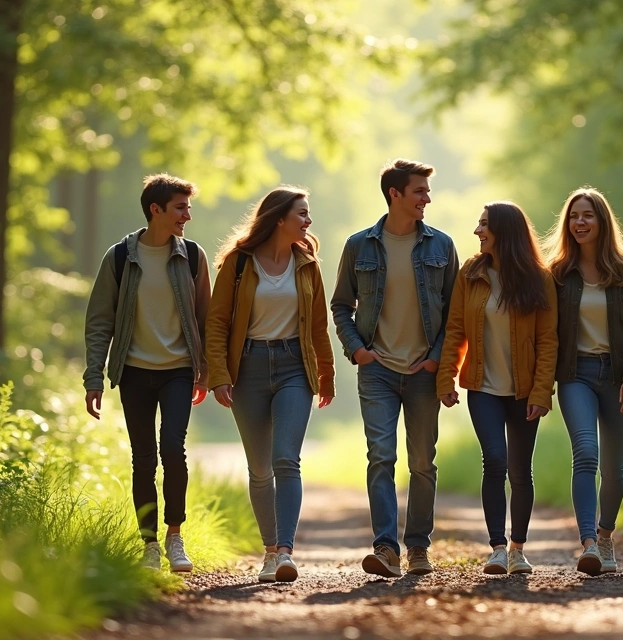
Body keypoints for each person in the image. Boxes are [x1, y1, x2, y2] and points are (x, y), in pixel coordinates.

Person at [331, 158, 459, 578]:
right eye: (419, 190)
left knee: (422, 462)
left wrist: (439, 359)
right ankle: (385, 548)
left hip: (424, 371)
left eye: (427, 190)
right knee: (381, 457)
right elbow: (341, 306)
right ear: (395, 195)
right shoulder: (360, 246)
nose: (427, 197)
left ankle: (418, 548)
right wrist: (357, 351)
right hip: (377, 370)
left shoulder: (441, 245)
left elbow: (456, 314)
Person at [204, 186, 335, 583]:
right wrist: (219, 375)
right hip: (249, 368)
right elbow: (217, 322)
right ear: (279, 218)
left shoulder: (307, 263)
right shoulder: (240, 264)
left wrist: (326, 374)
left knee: (285, 459)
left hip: (295, 366)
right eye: (302, 213)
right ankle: (267, 551)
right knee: (260, 468)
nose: (308, 221)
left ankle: (285, 552)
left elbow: (317, 325)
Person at [83, 173, 210, 573]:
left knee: (173, 447)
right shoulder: (120, 257)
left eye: (188, 207)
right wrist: (94, 378)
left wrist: (205, 372)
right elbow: (100, 320)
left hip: (178, 370)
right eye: (180, 208)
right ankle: (149, 545)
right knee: (143, 459)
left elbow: (207, 319)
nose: (187, 216)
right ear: (156, 210)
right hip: (135, 372)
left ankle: (175, 537)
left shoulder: (192, 255)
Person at [437, 201, 557, 575]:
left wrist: (541, 393)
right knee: (496, 461)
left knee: (521, 471)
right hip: (483, 387)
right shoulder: (470, 274)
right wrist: (446, 377)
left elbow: (548, 341)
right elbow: (455, 329)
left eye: (484, 224)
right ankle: (497, 548)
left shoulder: (540, 279)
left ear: (505, 231)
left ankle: (519, 548)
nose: (477, 231)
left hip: (524, 392)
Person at [543, 187, 623, 576]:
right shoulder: (558, 274)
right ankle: (589, 543)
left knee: (614, 467)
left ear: (602, 221)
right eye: (574, 216)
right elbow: (543, 330)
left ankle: (607, 537)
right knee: (586, 454)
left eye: (587, 215)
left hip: (619, 376)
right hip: (576, 376)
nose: (579, 223)